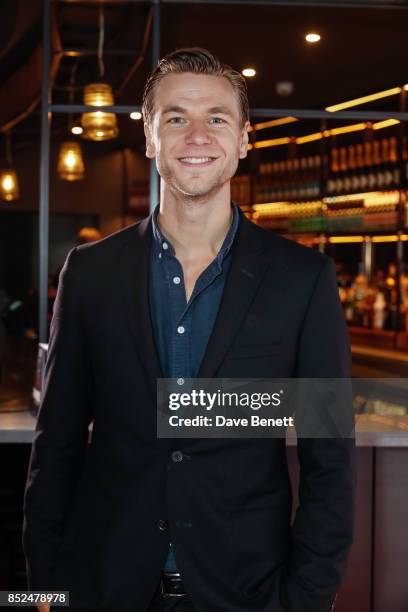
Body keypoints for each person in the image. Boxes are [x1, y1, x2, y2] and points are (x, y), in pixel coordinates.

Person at [23, 47, 355, 612]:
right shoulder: (92, 271)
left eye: (217, 119)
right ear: (150, 137)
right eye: (176, 118)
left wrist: (306, 597)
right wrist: (42, 589)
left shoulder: (304, 279)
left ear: (245, 138)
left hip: (248, 593)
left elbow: (330, 459)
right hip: (105, 587)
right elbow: (55, 444)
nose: (196, 136)